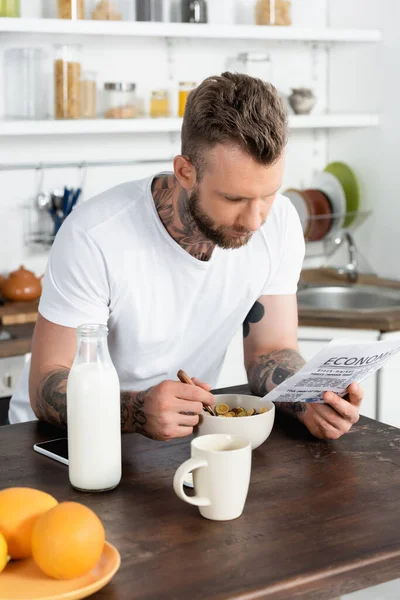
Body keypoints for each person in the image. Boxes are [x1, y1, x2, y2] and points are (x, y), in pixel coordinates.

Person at [10, 72, 363, 440]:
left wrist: (310, 399)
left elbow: (270, 352)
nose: (256, 219)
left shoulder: (282, 223)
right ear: (185, 172)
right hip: (51, 443)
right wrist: (134, 412)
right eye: (234, 199)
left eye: (269, 194)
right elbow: (47, 383)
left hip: (173, 444)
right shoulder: (95, 235)